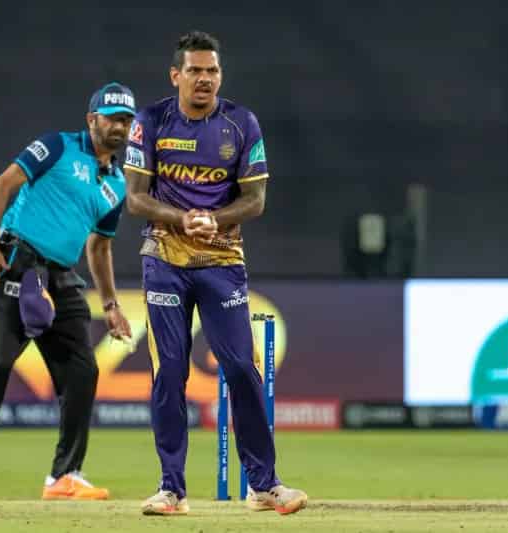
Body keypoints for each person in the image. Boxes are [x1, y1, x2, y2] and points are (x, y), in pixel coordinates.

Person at [123, 31, 308, 516]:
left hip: (222, 261)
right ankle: (172, 490)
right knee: (170, 372)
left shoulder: (241, 123)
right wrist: (181, 218)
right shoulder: (151, 121)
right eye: (195, 71)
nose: (204, 79)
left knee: (241, 368)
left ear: (220, 76)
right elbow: (135, 198)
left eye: (212, 71)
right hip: (164, 259)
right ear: (176, 75)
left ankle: (264, 486)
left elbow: (256, 200)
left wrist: (215, 219)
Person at [0, 82, 135, 501]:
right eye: (111, 118)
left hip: (62, 277)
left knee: (83, 371)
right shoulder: (58, 146)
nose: (119, 127)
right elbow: (2, 185)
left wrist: (111, 304)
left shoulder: (117, 183)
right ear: (92, 120)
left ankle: (64, 476)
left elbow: (100, 247)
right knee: (0, 361)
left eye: (126, 121)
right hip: (19, 262)